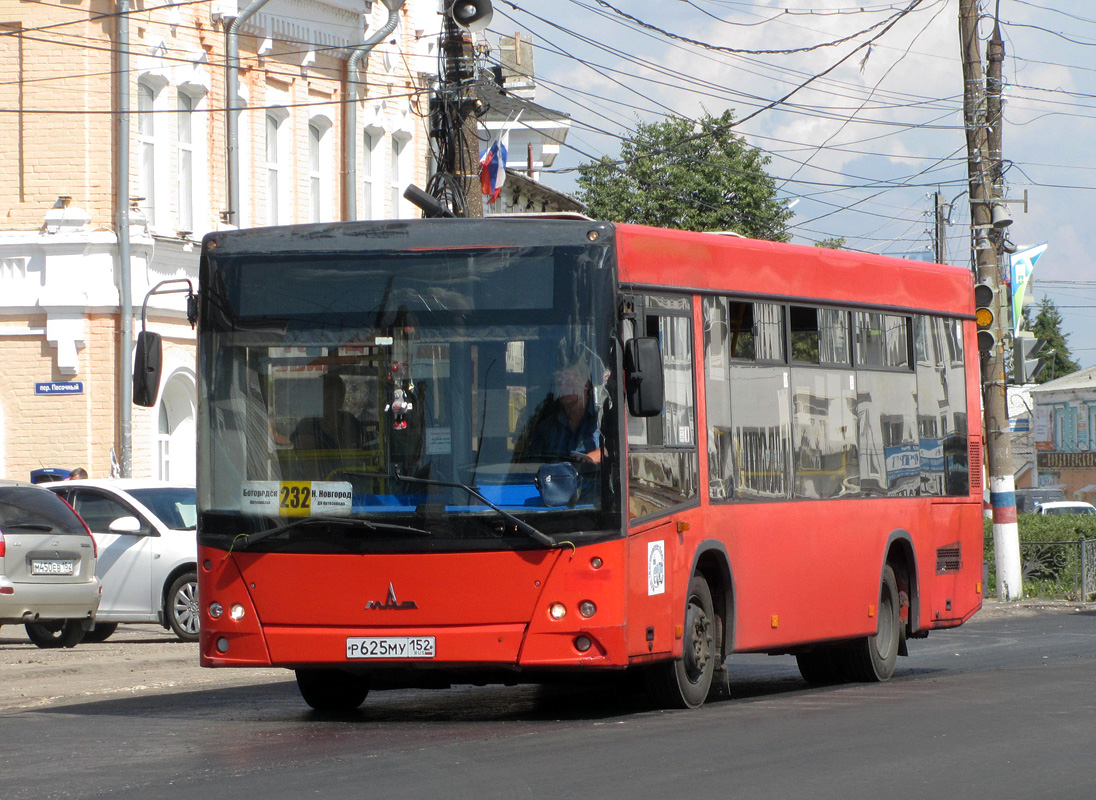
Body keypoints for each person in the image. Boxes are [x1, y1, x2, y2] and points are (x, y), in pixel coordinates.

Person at [528, 365, 602, 463]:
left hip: (595, 477)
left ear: (586, 384)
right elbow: (531, 466)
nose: (563, 387)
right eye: (559, 383)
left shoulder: (602, 420)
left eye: (569, 382)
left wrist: (592, 458)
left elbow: (617, 449)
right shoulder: (546, 428)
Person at [291, 373, 365, 452]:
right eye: (322, 397)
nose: (325, 403)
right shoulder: (306, 426)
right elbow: (298, 459)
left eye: (330, 397)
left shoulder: (350, 422)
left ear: (341, 398)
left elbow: (361, 452)